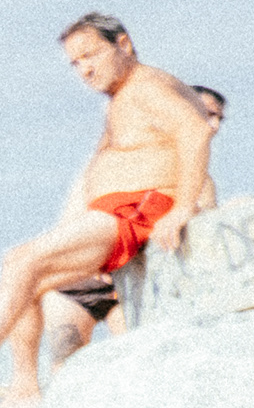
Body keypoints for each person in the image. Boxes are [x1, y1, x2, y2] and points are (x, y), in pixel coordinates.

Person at [0, 14, 216, 404]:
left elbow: (195, 130)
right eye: (75, 63)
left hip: (139, 209)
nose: (84, 69)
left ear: (123, 44)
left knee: (19, 261)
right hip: (116, 212)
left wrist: (181, 209)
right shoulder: (124, 94)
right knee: (26, 283)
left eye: (91, 54)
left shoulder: (146, 85)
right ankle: (26, 387)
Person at [39, 80, 225, 375]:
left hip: (128, 281)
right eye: (206, 113)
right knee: (65, 370)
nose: (212, 124)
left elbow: (201, 237)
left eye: (218, 117)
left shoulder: (200, 181)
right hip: (79, 280)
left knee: (138, 365)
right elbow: (76, 215)